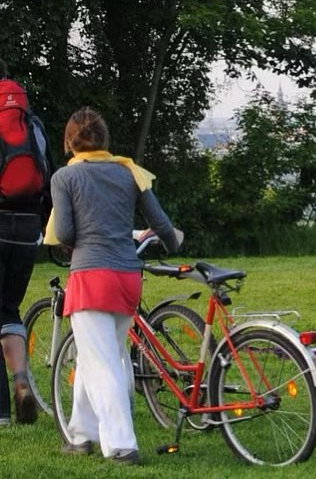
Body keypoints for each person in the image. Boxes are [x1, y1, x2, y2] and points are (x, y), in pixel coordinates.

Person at [45, 107, 182, 464]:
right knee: (100, 356)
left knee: (102, 362)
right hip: (127, 277)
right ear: (105, 139)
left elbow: (66, 233)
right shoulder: (127, 171)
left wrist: (68, 246)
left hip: (90, 277)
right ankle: (80, 434)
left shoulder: (64, 178)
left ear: (70, 142)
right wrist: (172, 244)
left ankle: (121, 445)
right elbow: (161, 223)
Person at [0, 59, 44, 426]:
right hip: (29, 227)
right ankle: (21, 382)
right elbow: (47, 171)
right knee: (10, 309)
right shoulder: (32, 123)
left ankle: (0, 411)